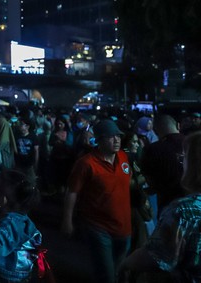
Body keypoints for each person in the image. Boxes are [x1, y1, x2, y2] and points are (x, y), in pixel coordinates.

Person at [118, 131, 201, 282]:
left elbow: (158, 258)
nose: (181, 162)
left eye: (185, 158)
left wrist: (126, 263)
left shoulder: (183, 210)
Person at [61, 119, 132, 283]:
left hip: (124, 226)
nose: (116, 140)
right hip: (98, 226)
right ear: (99, 140)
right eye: (111, 137)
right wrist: (67, 220)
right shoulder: (86, 163)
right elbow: (72, 193)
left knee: (119, 269)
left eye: (118, 137)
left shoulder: (123, 157)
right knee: (106, 274)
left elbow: (127, 181)